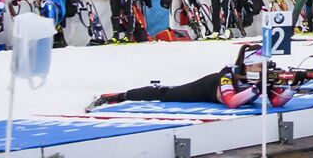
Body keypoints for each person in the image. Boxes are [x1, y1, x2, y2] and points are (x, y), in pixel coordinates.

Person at [86, 42, 292, 110]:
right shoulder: (229, 74)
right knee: (167, 93)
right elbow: (230, 102)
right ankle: (119, 96)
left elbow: (277, 102)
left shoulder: (264, 76)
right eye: (259, 66)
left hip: (235, 90)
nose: (263, 70)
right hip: (208, 89)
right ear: (247, 65)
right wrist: (256, 88)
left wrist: (289, 85)